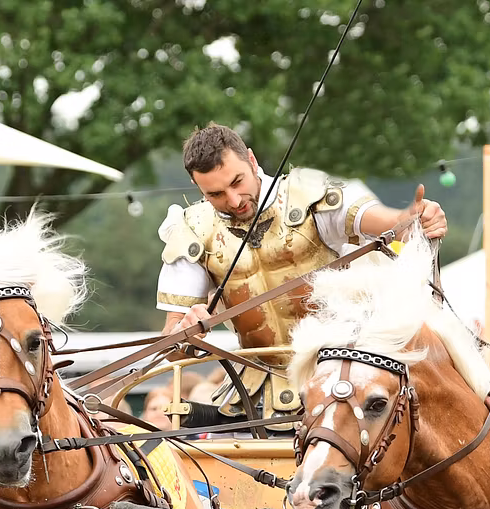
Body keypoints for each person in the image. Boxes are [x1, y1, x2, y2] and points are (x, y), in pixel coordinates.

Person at [154, 123, 448, 434]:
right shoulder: (192, 228)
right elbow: (171, 344)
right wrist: (186, 333)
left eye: (237, 181)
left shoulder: (310, 196)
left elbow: (387, 224)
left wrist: (415, 219)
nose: (234, 199)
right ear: (197, 187)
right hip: (249, 396)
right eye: (215, 194)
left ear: (252, 161)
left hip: (337, 384)